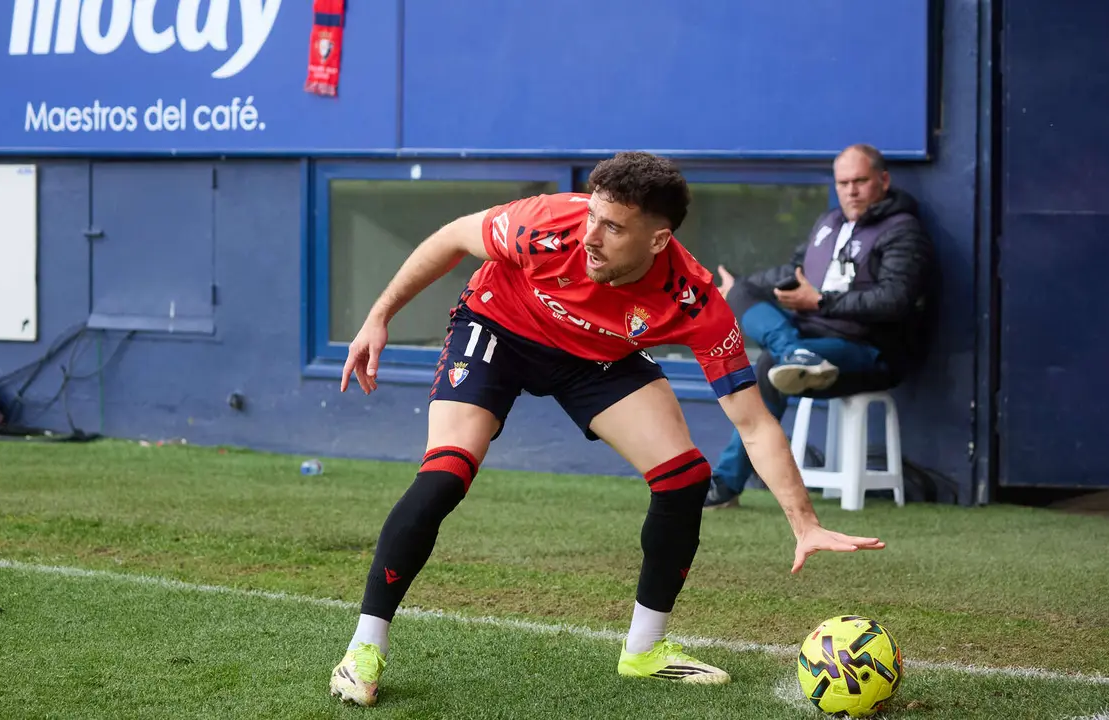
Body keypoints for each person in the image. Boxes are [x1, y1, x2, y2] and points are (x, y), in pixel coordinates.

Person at [329, 151, 886, 707]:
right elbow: (450, 237)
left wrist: (805, 523)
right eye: (592, 216)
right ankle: (363, 649)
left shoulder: (694, 302)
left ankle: (645, 650)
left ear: (659, 240)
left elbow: (754, 423)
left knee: (684, 477)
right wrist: (380, 315)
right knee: (446, 473)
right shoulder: (546, 224)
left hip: (594, 355)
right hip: (499, 325)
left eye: (613, 227)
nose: (590, 236)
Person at [704, 144, 936, 509]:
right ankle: (791, 350)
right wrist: (741, 289)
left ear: (884, 180)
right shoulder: (829, 223)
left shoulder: (903, 231)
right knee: (741, 292)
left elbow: (895, 300)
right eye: (843, 182)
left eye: (860, 181)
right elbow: (792, 274)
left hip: (867, 349)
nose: (851, 190)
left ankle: (726, 483)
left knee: (768, 365)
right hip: (811, 337)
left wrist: (822, 302)